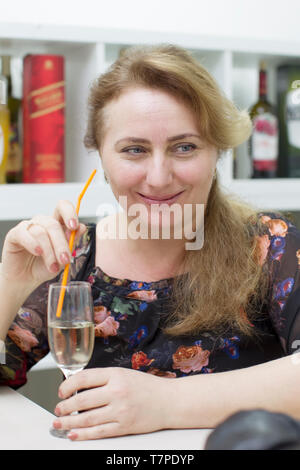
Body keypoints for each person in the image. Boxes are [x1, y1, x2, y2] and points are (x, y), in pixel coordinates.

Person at [1, 44, 300, 442]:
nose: (158, 177)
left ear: (217, 152)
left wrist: (166, 402)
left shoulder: (270, 246)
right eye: (135, 150)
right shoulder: (72, 257)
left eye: (184, 147)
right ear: (102, 157)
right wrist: (11, 281)